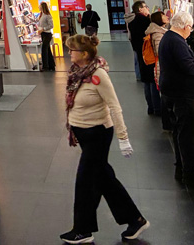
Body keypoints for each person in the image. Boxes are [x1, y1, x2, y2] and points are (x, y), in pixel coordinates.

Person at [60, 34, 149, 244]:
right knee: (104, 178)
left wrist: (123, 137)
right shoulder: (77, 73)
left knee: (85, 181)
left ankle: (82, 230)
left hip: (97, 134)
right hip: (83, 133)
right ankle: (135, 220)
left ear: (84, 54)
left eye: (72, 50)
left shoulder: (98, 75)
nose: (69, 53)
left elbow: (115, 106)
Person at [159, 11, 194, 187]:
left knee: (180, 133)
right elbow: (189, 67)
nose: (190, 32)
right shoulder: (177, 42)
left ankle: (182, 168)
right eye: (190, 28)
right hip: (183, 95)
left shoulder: (168, 38)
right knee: (188, 135)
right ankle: (190, 174)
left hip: (173, 92)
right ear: (186, 26)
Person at [128, 1, 159, 114]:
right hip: (149, 53)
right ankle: (157, 108)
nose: (147, 9)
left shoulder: (132, 22)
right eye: (146, 7)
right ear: (140, 9)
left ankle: (150, 107)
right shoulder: (146, 21)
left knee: (146, 81)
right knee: (152, 81)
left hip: (140, 53)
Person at [146, 11, 171, 130]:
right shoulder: (158, 34)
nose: (166, 17)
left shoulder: (158, 32)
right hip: (161, 66)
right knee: (164, 94)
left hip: (159, 65)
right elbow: (159, 51)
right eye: (163, 15)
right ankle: (166, 121)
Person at [38, 2, 56, 71]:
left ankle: (45, 66)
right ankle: (51, 65)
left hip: (47, 34)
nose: (38, 7)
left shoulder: (47, 15)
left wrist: (43, 29)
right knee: (47, 49)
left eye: (39, 6)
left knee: (44, 49)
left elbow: (51, 25)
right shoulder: (41, 15)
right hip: (43, 34)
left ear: (42, 7)